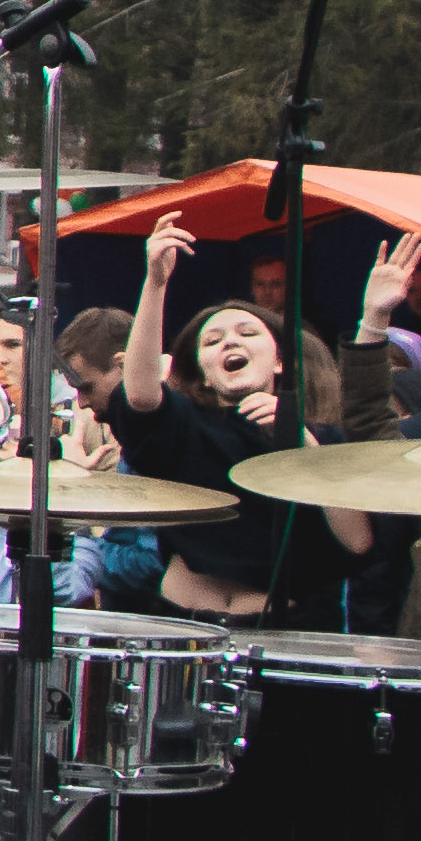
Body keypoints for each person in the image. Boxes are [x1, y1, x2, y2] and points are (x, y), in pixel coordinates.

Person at [113, 214, 375, 626]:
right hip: (183, 622)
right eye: (212, 341)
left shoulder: (322, 441)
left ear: (281, 362)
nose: (230, 341)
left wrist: (304, 446)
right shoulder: (185, 424)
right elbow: (142, 394)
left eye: (247, 333)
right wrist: (156, 283)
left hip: (283, 627)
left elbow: (357, 542)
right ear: (200, 369)